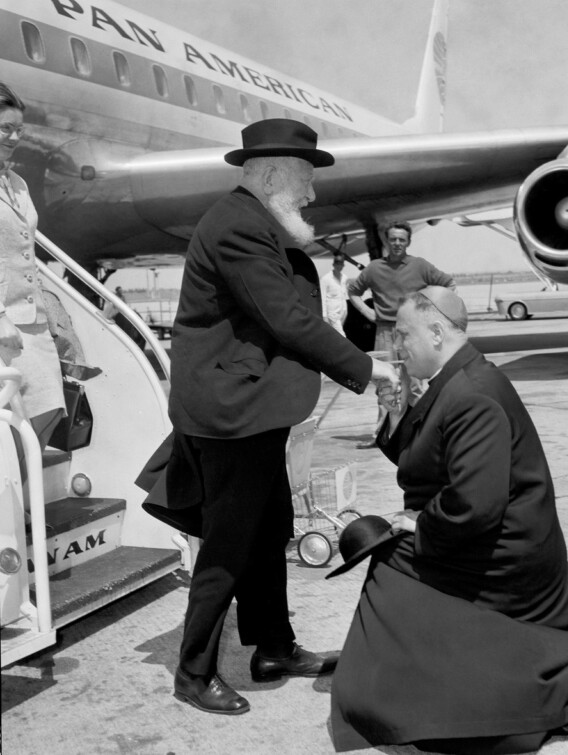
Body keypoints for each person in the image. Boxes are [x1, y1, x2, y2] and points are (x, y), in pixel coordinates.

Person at [329, 287, 568, 754]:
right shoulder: (454, 379)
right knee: (395, 552)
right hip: (488, 533)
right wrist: (393, 411)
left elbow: (474, 506)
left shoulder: (472, 393)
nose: (397, 346)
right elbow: (422, 460)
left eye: (403, 335)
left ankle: (398, 695)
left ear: (437, 332)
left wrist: (419, 525)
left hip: (509, 551)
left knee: (391, 568)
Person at [161, 119, 399, 716]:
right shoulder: (239, 226)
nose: (313, 195)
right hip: (230, 413)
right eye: (305, 180)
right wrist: (370, 369)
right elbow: (287, 319)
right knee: (229, 542)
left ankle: (274, 648)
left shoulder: (253, 221)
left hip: (253, 406)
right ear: (270, 175)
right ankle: (193, 673)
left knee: (268, 531)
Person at [347, 221, 455, 447]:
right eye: (393, 239)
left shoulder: (420, 266)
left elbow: (449, 284)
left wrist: (432, 311)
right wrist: (367, 311)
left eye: (402, 240)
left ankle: (422, 435)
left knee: (414, 384)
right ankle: (382, 436)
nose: (397, 243)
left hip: (412, 332)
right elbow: (353, 291)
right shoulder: (374, 268)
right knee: (384, 384)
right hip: (384, 332)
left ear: (408, 242)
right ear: (387, 241)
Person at [0, 82, 65, 449]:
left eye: (19, 129)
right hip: (4, 324)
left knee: (48, 412)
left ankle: (24, 504)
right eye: (5, 128)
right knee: (12, 427)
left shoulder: (17, 183)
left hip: (32, 321)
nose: (14, 137)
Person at [320, 252, 349, 335]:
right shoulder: (325, 279)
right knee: (342, 335)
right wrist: (324, 316)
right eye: (337, 263)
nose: (339, 266)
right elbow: (322, 297)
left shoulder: (344, 278)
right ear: (333, 264)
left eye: (341, 264)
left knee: (335, 335)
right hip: (332, 313)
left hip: (343, 313)